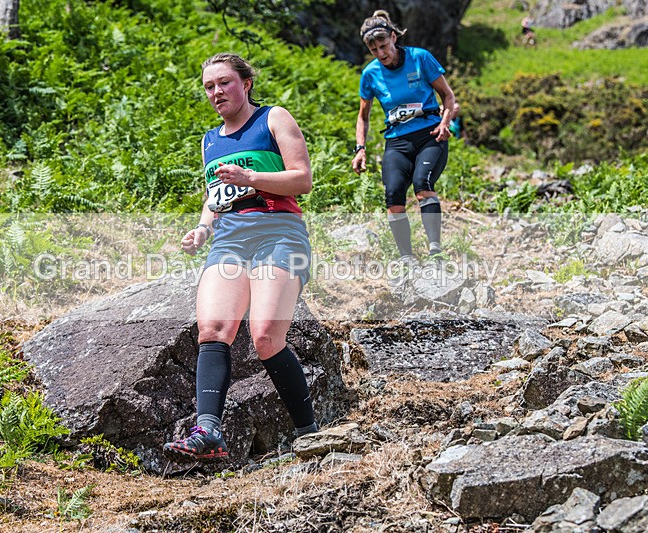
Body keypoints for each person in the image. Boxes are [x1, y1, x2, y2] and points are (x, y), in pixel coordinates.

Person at [163, 53, 318, 463]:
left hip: (279, 234)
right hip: (229, 242)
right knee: (213, 328)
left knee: (266, 336)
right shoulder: (209, 140)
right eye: (209, 87)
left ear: (245, 84)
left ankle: (309, 431)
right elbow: (213, 196)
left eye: (224, 83)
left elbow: (302, 179)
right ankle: (208, 430)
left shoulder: (273, 119)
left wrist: (251, 177)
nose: (216, 92)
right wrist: (202, 227)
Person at [351, 10, 457, 262]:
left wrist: (445, 123)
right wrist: (360, 148)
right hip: (397, 142)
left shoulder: (420, 58)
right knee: (393, 195)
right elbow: (362, 117)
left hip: (430, 134)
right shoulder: (370, 74)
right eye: (374, 49)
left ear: (394, 37)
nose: (381, 53)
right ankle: (406, 257)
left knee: (422, 184)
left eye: (384, 46)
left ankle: (435, 250)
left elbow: (448, 96)